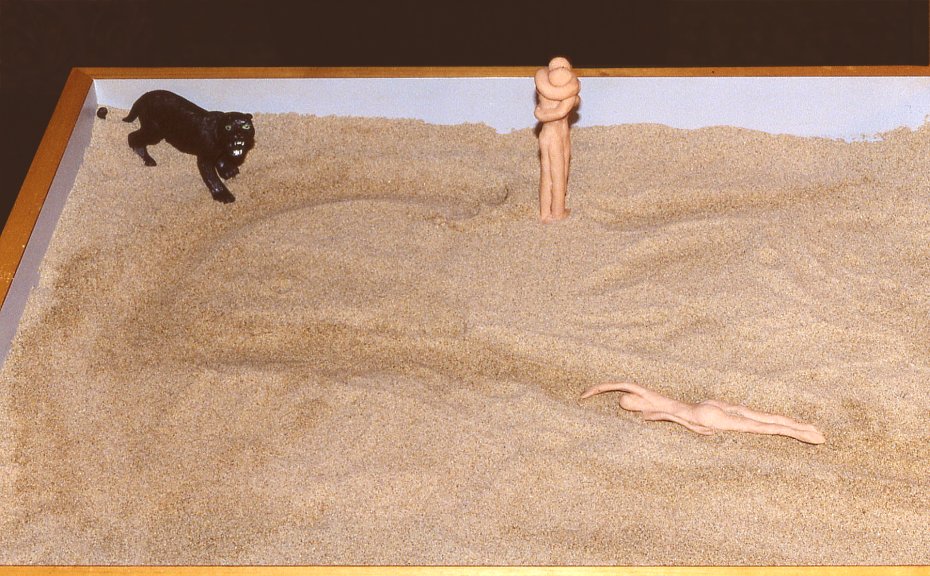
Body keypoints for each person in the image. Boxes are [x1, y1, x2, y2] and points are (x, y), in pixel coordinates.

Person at [581, 381, 825, 444]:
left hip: (702, 416)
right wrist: (594, 390)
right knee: (756, 416)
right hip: (704, 405)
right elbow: (621, 384)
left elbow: (670, 417)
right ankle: (804, 427)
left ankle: (803, 434)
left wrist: (692, 426)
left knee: (759, 427)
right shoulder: (650, 397)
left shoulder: (648, 412)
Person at [534, 57, 580, 223]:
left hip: (546, 134)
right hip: (557, 135)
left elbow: (566, 106)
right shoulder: (569, 92)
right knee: (558, 174)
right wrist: (541, 114)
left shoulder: (542, 88)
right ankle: (558, 212)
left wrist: (540, 113)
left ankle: (545, 213)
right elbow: (561, 112)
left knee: (547, 174)